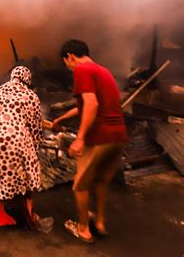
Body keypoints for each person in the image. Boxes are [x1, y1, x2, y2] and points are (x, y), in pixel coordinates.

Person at [53, 39, 127, 243]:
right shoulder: (103, 71)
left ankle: (83, 228)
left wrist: (80, 138)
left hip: (99, 137)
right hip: (118, 135)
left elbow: (92, 104)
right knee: (101, 180)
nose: (68, 67)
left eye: (66, 62)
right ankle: (100, 222)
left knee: (80, 186)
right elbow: (88, 104)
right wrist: (62, 118)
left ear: (70, 56)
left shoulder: (82, 71)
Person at [0, 66, 50, 231]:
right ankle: (28, 216)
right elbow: (35, 126)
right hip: (13, 137)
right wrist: (35, 145)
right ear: (27, 79)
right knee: (23, 174)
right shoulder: (30, 95)